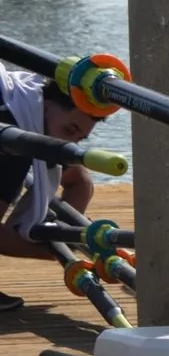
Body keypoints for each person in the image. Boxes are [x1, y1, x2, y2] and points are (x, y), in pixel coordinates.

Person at [0, 68, 104, 314]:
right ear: (46, 105)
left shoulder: (26, 96)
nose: (70, 144)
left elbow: (79, 179)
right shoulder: (15, 138)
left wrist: (62, 236)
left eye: (80, 138)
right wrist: (58, 251)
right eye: (69, 131)